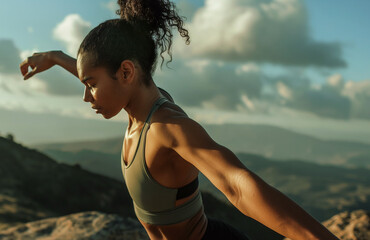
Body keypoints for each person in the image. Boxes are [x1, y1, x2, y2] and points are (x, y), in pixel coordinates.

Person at [19, 0, 339, 239]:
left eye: (90, 85)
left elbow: (237, 185)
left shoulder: (167, 128)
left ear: (127, 72)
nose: (86, 96)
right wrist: (54, 57)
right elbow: (103, 78)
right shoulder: (136, 106)